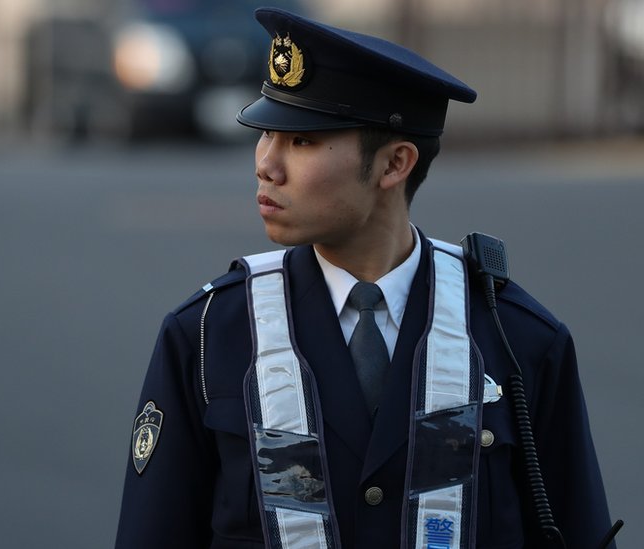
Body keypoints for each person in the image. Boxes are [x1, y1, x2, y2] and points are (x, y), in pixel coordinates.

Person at [115, 7, 615, 549]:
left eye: (301, 141)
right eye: (266, 133)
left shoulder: (516, 340)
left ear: (395, 164)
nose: (266, 164)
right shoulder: (209, 335)